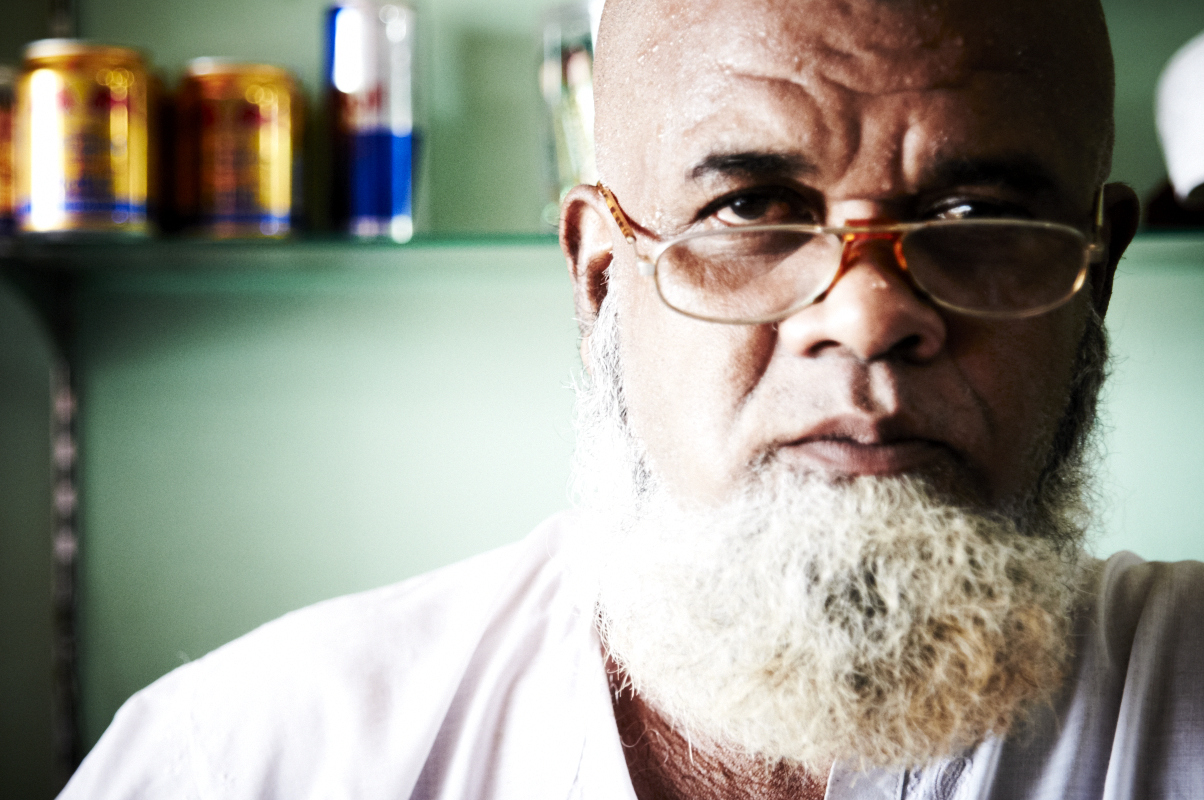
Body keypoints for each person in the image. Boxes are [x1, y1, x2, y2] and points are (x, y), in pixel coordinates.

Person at [61, 0, 1204, 798]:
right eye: (750, 208)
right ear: (601, 276)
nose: (865, 316)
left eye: (977, 220)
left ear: (1093, 278)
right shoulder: (251, 757)